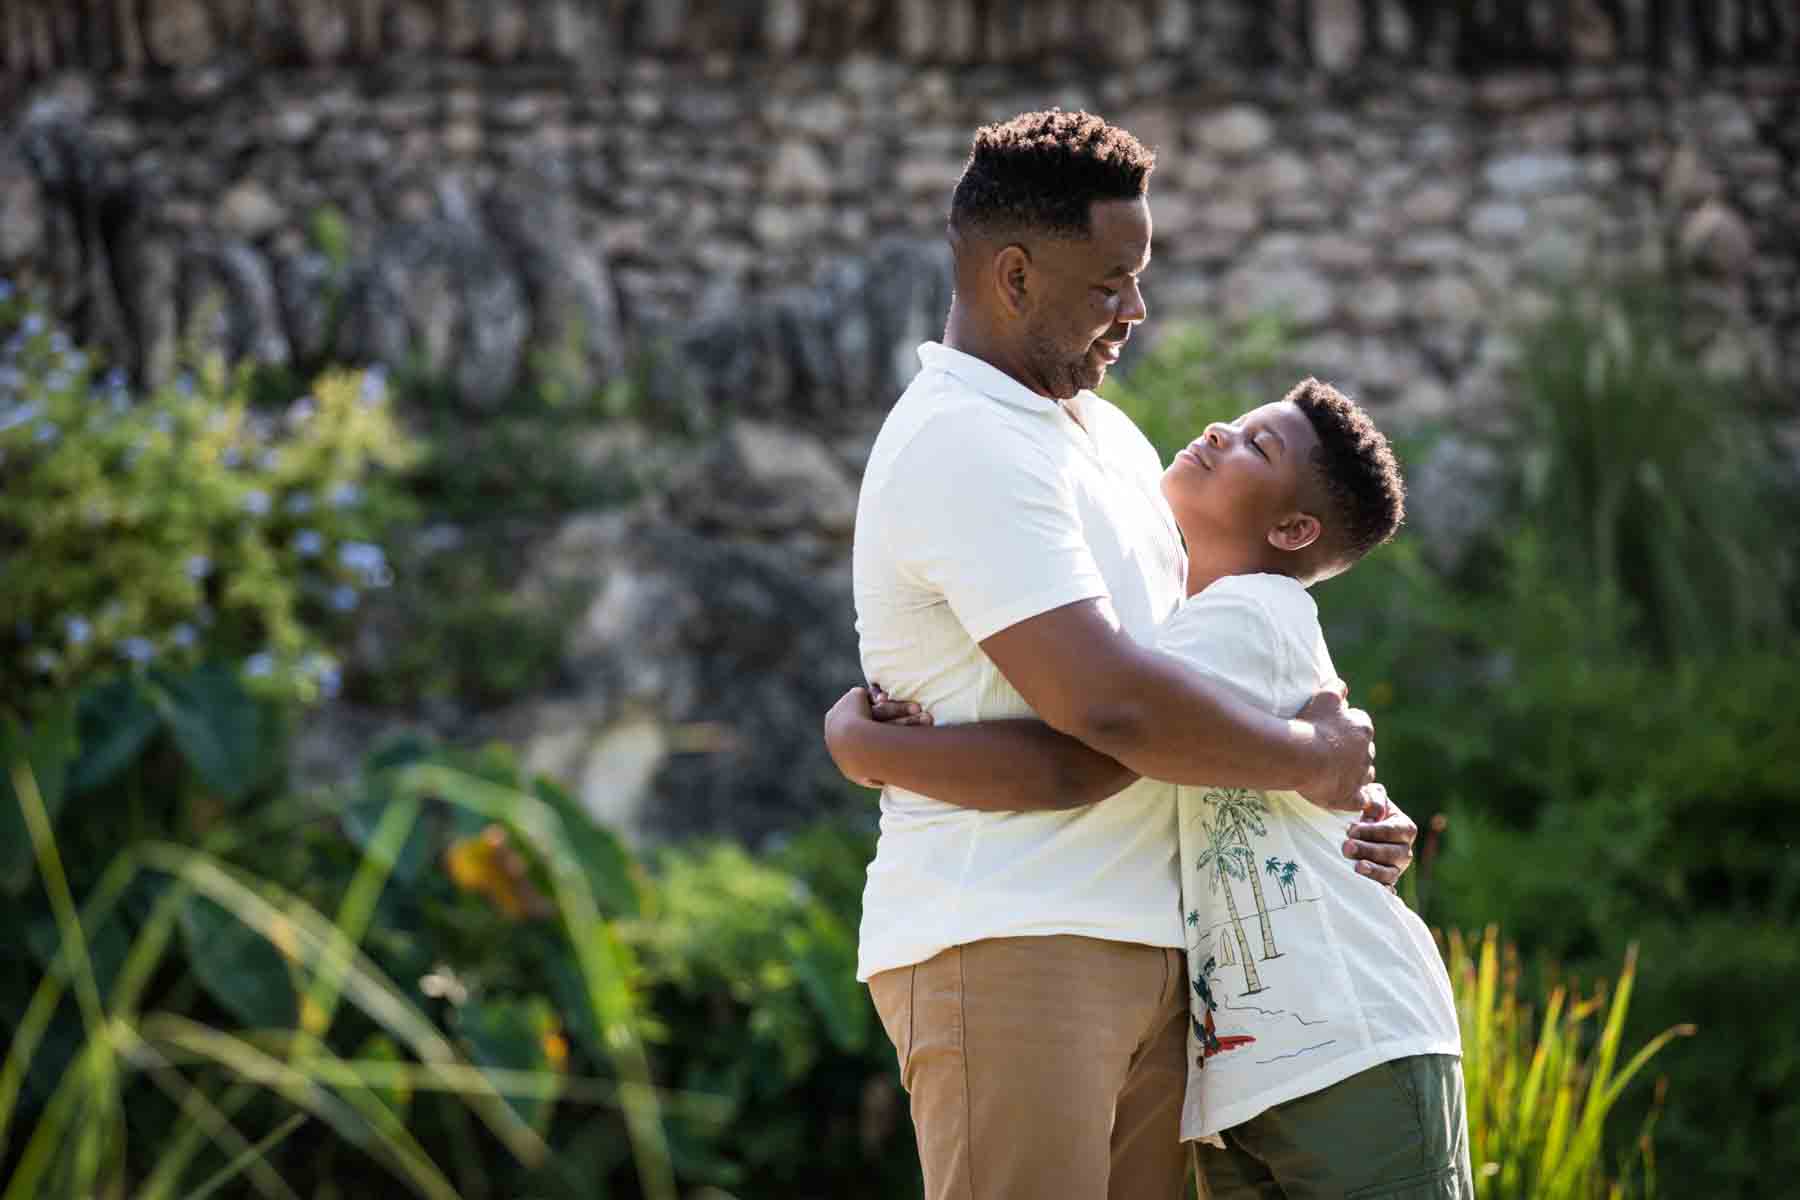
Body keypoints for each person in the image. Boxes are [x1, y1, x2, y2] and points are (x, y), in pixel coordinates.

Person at [838, 108, 1417, 1200]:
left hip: (1155, 949)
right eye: (1110, 282)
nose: (1136, 311)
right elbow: (1113, 720)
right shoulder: (964, 439)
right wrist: (1303, 759)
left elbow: (1200, 680)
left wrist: (1348, 802)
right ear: (1014, 277)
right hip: (1007, 938)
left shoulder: (1109, 442)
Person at [830, 378, 1471, 1198]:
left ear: (1292, 529)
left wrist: (863, 747)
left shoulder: (1248, 616)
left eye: (1255, 446)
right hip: (1261, 1071)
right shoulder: (1192, 622)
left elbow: (1102, 740)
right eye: (1239, 421)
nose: (1217, 430)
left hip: (1346, 1044)